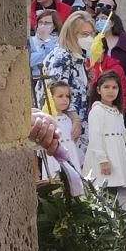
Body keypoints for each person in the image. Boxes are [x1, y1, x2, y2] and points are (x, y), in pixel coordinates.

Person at [37, 10, 92, 155]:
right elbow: (57, 91)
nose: (89, 38)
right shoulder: (61, 56)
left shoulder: (79, 57)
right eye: (84, 34)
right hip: (64, 124)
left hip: (78, 122)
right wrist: (75, 120)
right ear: (72, 34)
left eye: (91, 34)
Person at [82, 71, 126, 192]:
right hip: (102, 160)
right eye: (106, 87)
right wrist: (103, 160)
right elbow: (95, 138)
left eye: (114, 87)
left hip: (115, 158)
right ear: (98, 90)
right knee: (103, 193)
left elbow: (121, 137)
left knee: (112, 193)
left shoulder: (117, 112)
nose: (111, 91)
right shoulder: (97, 111)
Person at [29, 9, 60, 77]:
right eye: (40, 22)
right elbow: (30, 60)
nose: (42, 25)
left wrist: (47, 40)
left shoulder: (60, 41)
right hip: (35, 79)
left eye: (47, 23)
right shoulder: (31, 41)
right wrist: (46, 53)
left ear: (54, 26)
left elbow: (55, 58)